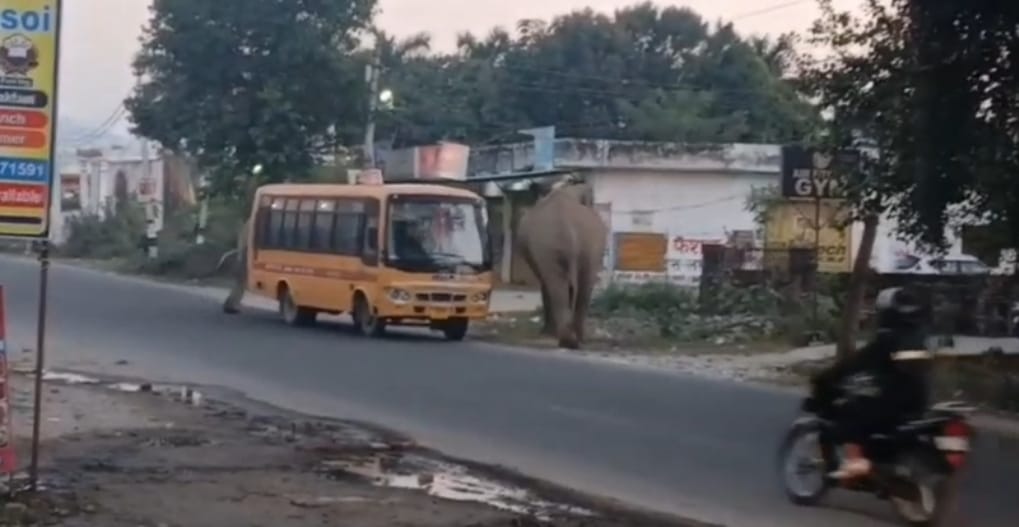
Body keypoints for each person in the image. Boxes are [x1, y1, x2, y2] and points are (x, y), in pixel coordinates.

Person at [810, 286, 934, 480]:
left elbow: (854, 365)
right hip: (917, 405)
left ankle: (856, 462)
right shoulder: (920, 339)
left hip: (891, 406)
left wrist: (826, 378)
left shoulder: (887, 340)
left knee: (849, 412)